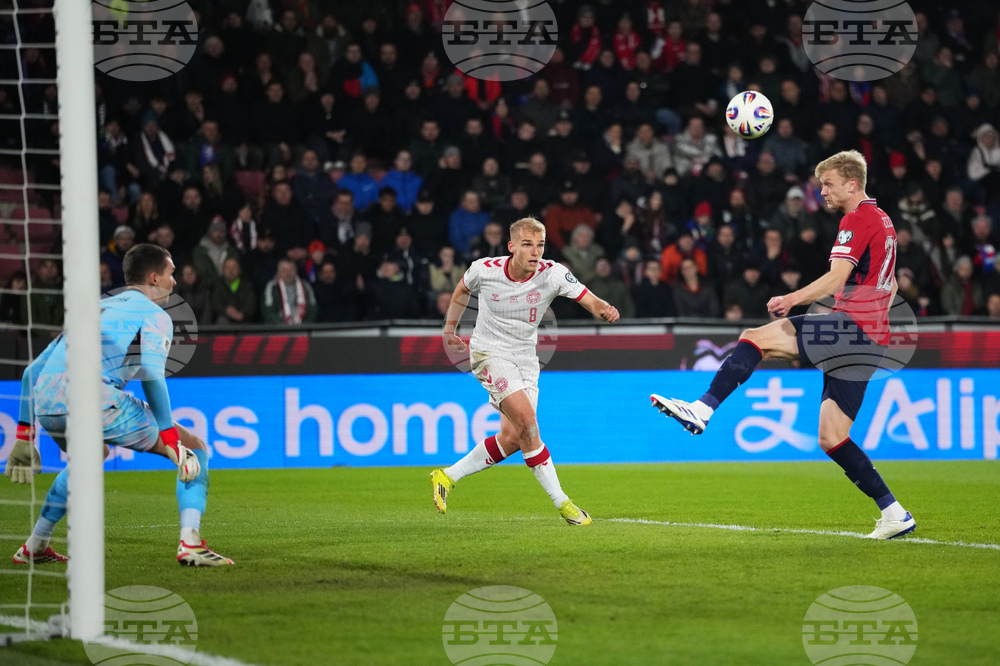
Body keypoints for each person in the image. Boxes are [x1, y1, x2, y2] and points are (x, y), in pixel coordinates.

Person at [650, 150, 915, 540]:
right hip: (872, 338)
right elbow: (889, 286)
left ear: (851, 183)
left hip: (851, 328)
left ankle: (703, 408)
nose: (822, 191)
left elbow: (837, 277)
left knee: (755, 338)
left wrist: (792, 299)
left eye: (828, 184)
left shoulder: (856, 218)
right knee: (832, 437)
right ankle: (894, 513)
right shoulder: (885, 221)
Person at [6, 244, 232, 566]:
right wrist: (170, 439)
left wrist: (24, 435)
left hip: (46, 401)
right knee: (194, 447)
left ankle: (36, 545)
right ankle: (190, 544)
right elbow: (152, 376)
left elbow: (31, 373)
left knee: (89, 457)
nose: (174, 282)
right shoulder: (154, 314)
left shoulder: (96, 307)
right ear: (154, 278)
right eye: (171, 274)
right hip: (91, 398)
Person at [431, 217, 620, 525]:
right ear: (511, 246)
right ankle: (563, 503)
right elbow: (462, 290)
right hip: (489, 352)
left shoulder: (553, 273)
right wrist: (450, 330)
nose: (535, 252)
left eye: (540, 245)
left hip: (526, 358)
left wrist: (605, 309)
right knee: (528, 424)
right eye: (528, 244)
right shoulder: (485, 269)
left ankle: (447, 476)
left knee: (513, 438)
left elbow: (590, 299)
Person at [262, 258, 318, 325]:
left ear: (296, 271)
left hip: (303, 327)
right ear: (278, 272)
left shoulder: (306, 286)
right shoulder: (272, 287)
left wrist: (304, 325)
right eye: (284, 270)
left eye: (291, 270)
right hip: (279, 328)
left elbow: (312, 308)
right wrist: (282, 326)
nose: (288, 273)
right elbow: (269, 311)